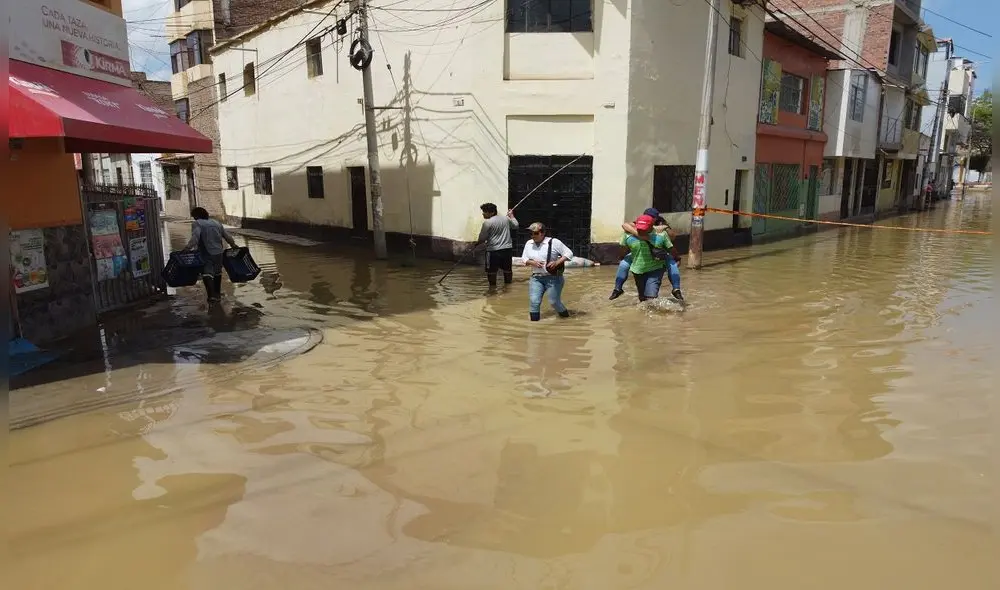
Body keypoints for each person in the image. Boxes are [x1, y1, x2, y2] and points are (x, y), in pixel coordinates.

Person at [609, 208, 684, 301]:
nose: (650, 218)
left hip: (658, 255)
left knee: (672, 263)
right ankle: (617, 288)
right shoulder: (635, 226)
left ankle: (676, 289)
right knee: (623, 264)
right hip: (638, 263)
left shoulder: (662, 228)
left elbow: (672, 239)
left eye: (652, 217)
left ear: (656, 219)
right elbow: (625, 225)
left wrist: (664, 228)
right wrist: (640, 235)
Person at [521, 222, 573, 321]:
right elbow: (524, 258)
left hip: (553, 278)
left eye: (535, 233)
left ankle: (567, 320)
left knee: (554, 302)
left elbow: (569, 253)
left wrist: (557, 262)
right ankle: (534, 327)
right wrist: (532, 262)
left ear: (543, 233)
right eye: (531, 233)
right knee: (534, 302)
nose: (533, 236)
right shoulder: (529, 243)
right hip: (536, 278)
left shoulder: (554, 242)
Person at [185, 207, 238, 303]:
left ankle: (211, 296)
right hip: (219, 252)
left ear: (196, 216)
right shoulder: (216, 223)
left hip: (206, 252)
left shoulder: (197, 223)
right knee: (217, 273)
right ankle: (217, 295)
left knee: (207, 273)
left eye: (194, 216)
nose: (194, 218)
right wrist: (233, 245)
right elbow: (226, 236)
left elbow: (195, 237)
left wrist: (187, 248)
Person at [475, 202, 519, 288]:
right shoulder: (506, 219)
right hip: (507, 249)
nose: (483, 213)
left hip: (493, 251)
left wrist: (477, 243)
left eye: (484, 212)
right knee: (507, 270)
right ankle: (508, 288)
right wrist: (511, 216)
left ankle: (492, 289)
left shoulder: (487, 223)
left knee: (491, 272)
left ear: (491, 212)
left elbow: (482, 238)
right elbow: (516, 226)